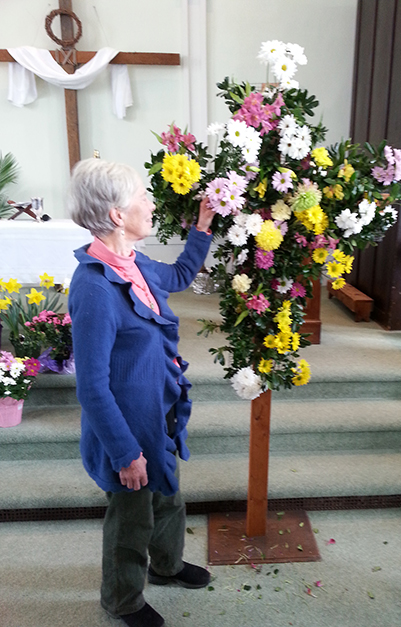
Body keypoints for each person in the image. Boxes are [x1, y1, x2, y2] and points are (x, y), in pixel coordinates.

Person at [68, 158, 214, 627]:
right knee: (132, 519)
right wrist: (125, 452)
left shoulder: (134, 263)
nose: (150, 205)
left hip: (158, 413)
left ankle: (168, 567)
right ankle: (123, 599)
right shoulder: (94, 286)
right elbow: (90, 386)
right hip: (126, 430)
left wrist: (202, 229)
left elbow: (177, 278)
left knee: (168, 498)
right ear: (116, 215)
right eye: (142, 197)